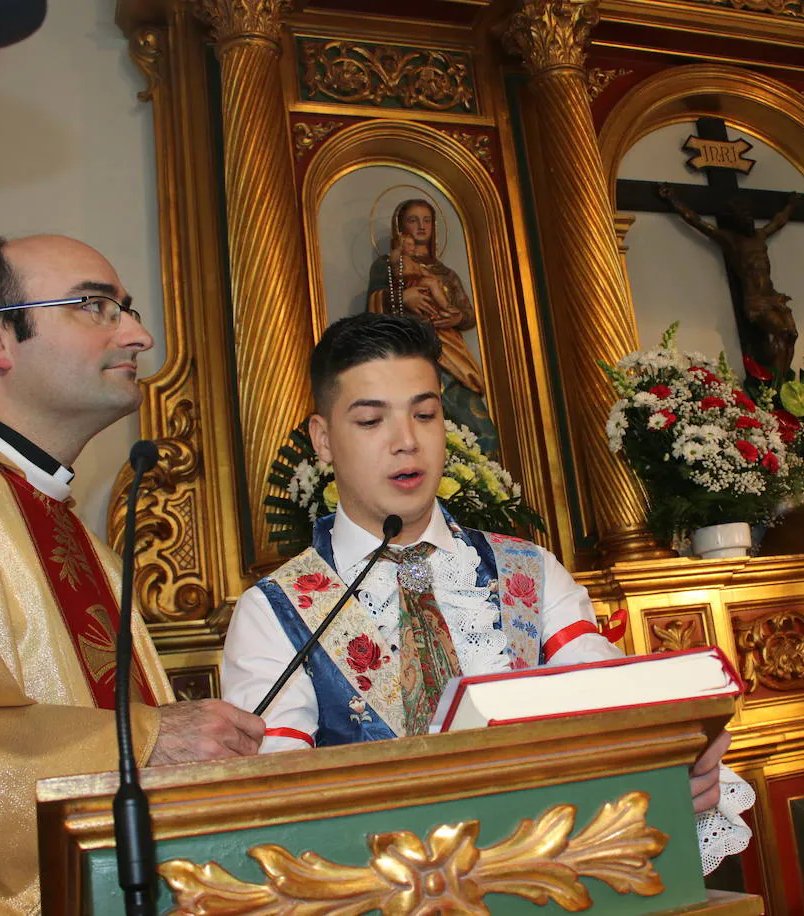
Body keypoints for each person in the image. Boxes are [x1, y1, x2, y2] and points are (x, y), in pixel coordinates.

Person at [221, 312, 753, 873]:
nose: (407, 442)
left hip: (548, 876)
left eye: (425, 415)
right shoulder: (275, 610)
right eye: (372, 421)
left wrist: (670, 761)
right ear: (324, 440)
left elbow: (605, 702)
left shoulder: (528, 570)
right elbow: (275, 801)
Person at [0, 235, 265, 914]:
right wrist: (144, 740)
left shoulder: (87, 545)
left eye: (127, 309)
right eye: (95, 306)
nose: (138, 335)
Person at [366, 197, 499, 454]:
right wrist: (403, 298)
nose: (421, 226)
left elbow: (467, 314)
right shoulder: (387, 265)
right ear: (400, 228)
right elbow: (371, 310)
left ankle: (480, 487)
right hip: (409, 352)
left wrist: (456, 318)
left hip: (449, 353)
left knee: (482, 431)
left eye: (427, 220)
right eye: (413, 220)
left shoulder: (445, 272)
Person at [657, 184, 802, 380]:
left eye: (749, 214)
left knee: (792, 335)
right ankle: (777, 383)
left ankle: (781, 379)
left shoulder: (760, 236)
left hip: (773, 296)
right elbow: (696, 221)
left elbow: (779, 221)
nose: (748, 219)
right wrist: (673, 199)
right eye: (743, 216)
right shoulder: (731, 240)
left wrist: (791, 205)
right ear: (736, 221)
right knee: (784, 333)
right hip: (756, 301)